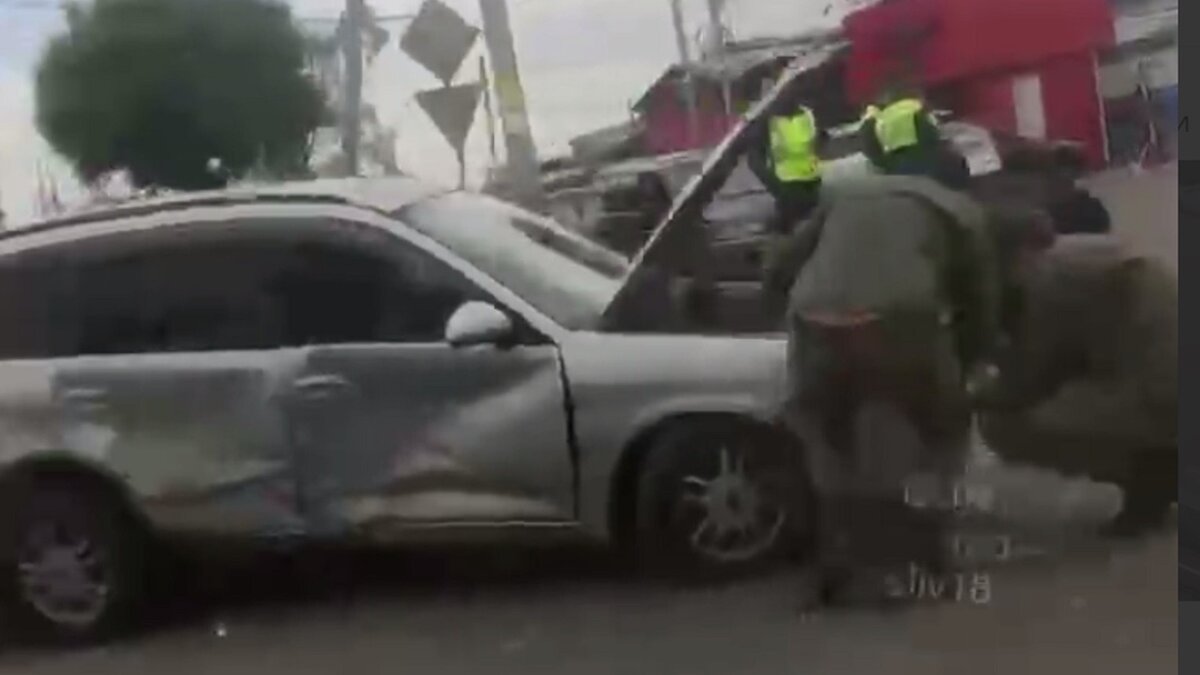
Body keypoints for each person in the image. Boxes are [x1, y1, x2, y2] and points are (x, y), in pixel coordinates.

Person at [763, 146, 1001, 608]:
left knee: (828, 439)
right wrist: (967, 361)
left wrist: (781, 311)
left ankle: (834, 567)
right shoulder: (960, 210)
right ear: (959, 182)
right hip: (901, 321)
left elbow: (781, 263)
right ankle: (931, 559)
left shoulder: (850, 195)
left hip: (816, 321)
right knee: (943, 430)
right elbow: (981, 300)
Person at [748, 92, 827, 235]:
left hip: (794, 186)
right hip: (807, 185)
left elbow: (754, 160)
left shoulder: (772, 120)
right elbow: (822, 140)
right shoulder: (807, 114)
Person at [860, 89, 942, 179]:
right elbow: (930, 135)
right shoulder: (917, 108)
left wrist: (883, 164)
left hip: (894, 164)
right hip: (921, 160)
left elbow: (869, 146)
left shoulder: (882, 117)